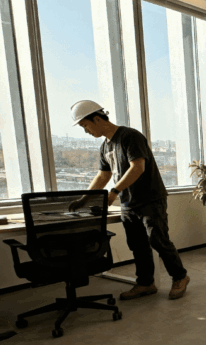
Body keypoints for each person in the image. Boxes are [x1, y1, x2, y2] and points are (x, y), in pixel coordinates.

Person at [68, 100, 190, 301]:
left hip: (150, 198)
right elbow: (102, 176)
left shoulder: (129, 136)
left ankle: (180, 277)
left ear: (97, 119)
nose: (86, 131)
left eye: (86, 126)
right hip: (128, 202)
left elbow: (137, 167)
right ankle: (146, 283)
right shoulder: (104, 147)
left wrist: (114, 191)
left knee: (158, 240)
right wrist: (85, 198)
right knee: (137, 245)